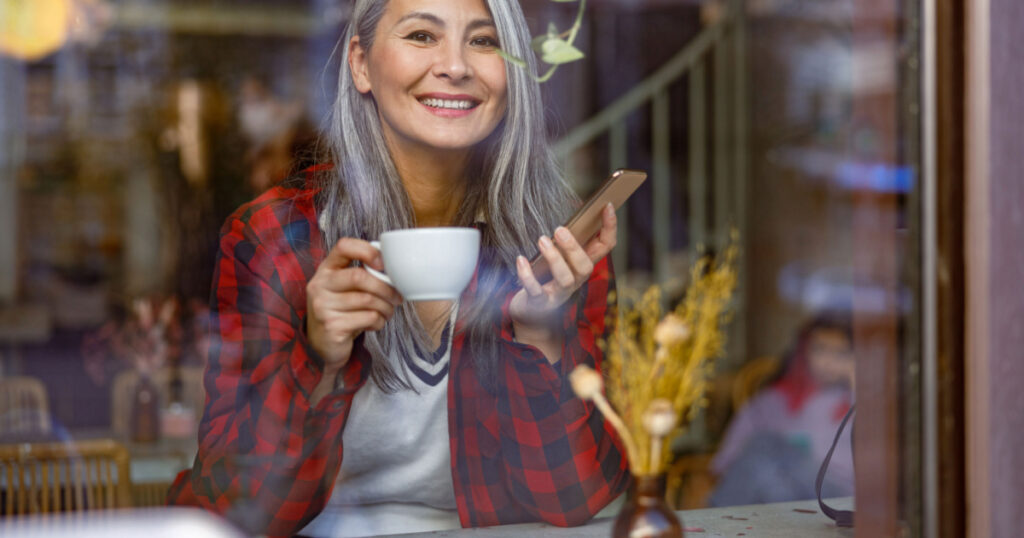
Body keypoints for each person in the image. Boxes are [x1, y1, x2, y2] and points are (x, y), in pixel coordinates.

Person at [166, 0, 629, 536]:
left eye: (484, 41)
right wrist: (318, 358)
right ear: (361, 64)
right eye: (422, 36)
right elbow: (236, 505)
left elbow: (574, 499)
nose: (456, 66)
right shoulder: (274, 239)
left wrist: (540, 335)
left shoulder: (555, 245)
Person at [708, 313, 855, 506]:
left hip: (839, 497)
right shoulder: (773, 401)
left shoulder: (860, 401)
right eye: (819, 349)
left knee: (764, 444)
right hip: (789, 503)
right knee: (770, 478)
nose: (827, 362)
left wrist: (857, 381)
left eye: (840, 353)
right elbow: (726, 461)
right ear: (804, 351)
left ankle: (716, 524)